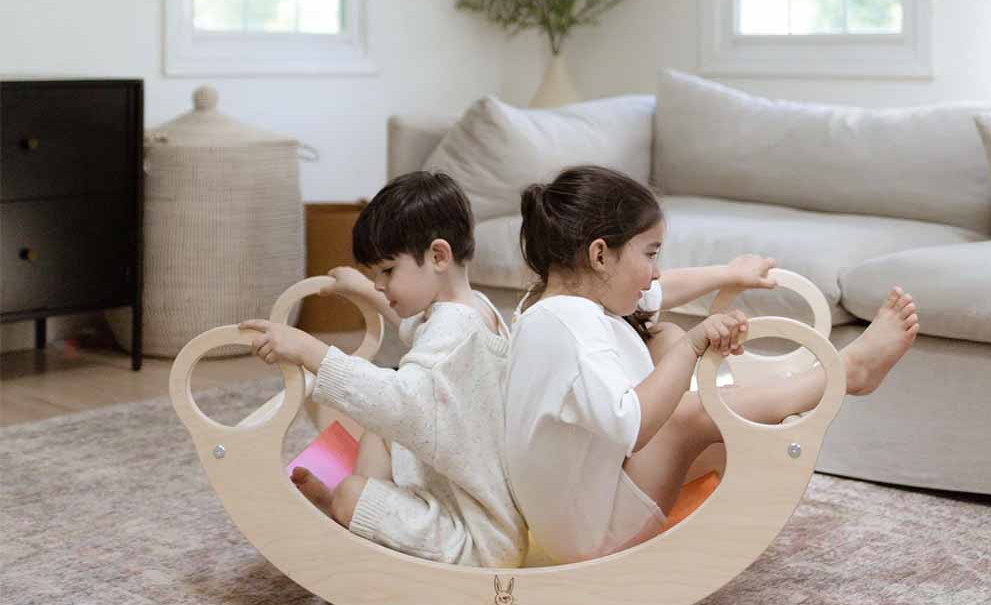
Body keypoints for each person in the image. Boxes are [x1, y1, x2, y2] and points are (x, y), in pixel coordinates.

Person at [504, 165, 920, 565]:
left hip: (592, 497)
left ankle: (772, 396)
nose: (655, 271)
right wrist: (693, 345)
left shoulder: (562, 304)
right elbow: (633, 424)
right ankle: (847, 372)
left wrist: (729, 274)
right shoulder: (571, 325)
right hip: (594, 532)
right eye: (650, 253)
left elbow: (660, 290)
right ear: (599, 255)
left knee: (661, 337)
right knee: (687, 409)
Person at [240, 171, 527, 568]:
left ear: (438, 256)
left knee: (354, 483)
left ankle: (350, 511)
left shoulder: (451, 330)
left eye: (388, 272)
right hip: (473, 506)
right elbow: (420, 336)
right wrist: (364, 291)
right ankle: (359, 513)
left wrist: (311, 350)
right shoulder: (473, 310)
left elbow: (395, 399)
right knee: (382, 433)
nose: (380, 285)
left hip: (472, 539)